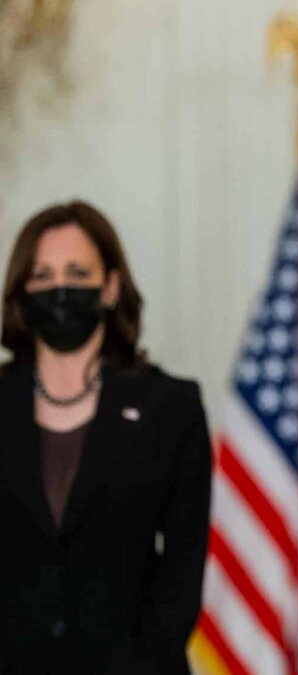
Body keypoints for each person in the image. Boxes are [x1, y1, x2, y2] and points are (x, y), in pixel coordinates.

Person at [0, 201, 211, 674]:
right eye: (43, 275)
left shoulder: (170, 408)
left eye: (78, 273)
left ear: (111, 286)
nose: (60, 289)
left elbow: (183, 566)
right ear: (21, 290)